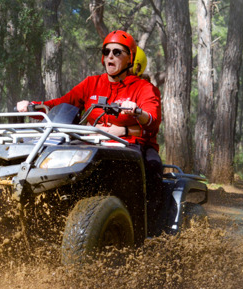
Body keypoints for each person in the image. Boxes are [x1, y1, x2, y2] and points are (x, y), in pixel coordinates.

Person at [17, 30, 164, 236]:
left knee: (153, 168)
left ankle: (152, 233)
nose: (110, 56)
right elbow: (60, 105)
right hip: (94, 145)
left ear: (130, 58)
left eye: (117, 52)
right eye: (106, 51)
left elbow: (153, 120)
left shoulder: (142, 88)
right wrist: (33, 106)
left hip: (131, 147)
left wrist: (137, 113)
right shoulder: (92, 83)